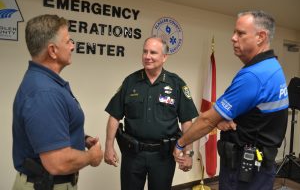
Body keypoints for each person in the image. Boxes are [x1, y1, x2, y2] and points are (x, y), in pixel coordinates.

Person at [173, 10, 289, 190]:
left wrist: (180, 144)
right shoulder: (272, 66)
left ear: (261, 37)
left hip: (245, 173)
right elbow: (254, 114)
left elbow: (207, 120)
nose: (233, 38)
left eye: (241, 33)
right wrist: (221, 120)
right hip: (259, 167)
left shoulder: (254, 75)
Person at [12, 14, 103, 190]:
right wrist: (92, 157)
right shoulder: (44, 93)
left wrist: (80, 138)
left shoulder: (45, 83)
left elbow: (48, 130)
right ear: (53, 50)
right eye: (68, 41)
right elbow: (57, 163)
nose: (73, 46)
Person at [104, 36, 199, 190]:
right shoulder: (130, 81)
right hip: (133, 155)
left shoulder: (176, 84)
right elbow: (114, 115)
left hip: (163, 157)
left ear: (164, 57)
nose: (147, 57)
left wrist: (189, 153)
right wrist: (109, 146)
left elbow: (187, 121)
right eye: (145, 52)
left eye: (153, 53)